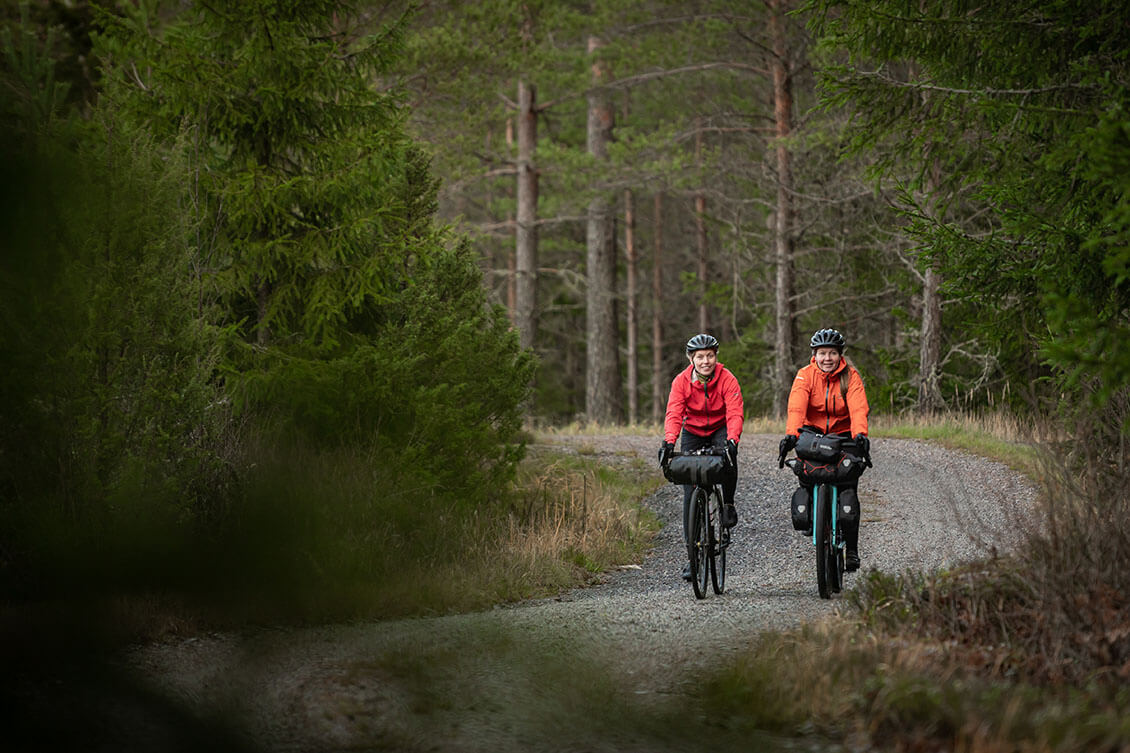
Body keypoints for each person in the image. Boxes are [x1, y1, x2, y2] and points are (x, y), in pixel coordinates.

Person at [779, 328, 870, 571]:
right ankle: (813, 519)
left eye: (832, 353)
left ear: (840, 355)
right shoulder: (805, 375)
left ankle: (851, 550)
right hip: (812, 434)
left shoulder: (851, 377)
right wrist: (792, 433)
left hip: (844, 435)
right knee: (807, 476)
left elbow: (858, 407)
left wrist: (860, 433)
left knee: (848, 488)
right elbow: (796, 407)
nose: (827, 358)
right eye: (822, 353)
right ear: (814, 355)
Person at [659, 333, 744, 581]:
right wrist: (669, 442)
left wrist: (732, 440)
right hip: (693, 431)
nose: (705, 361)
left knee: (728, 460)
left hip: (720, 429)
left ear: (716, 357)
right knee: (690, 491)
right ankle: (692, 559)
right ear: (691, 359)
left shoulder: (727, 379)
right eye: (700, 357)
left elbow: (735, 412)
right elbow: (674, 412)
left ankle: (727, 504)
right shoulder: (681, 381)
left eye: (709, 356)